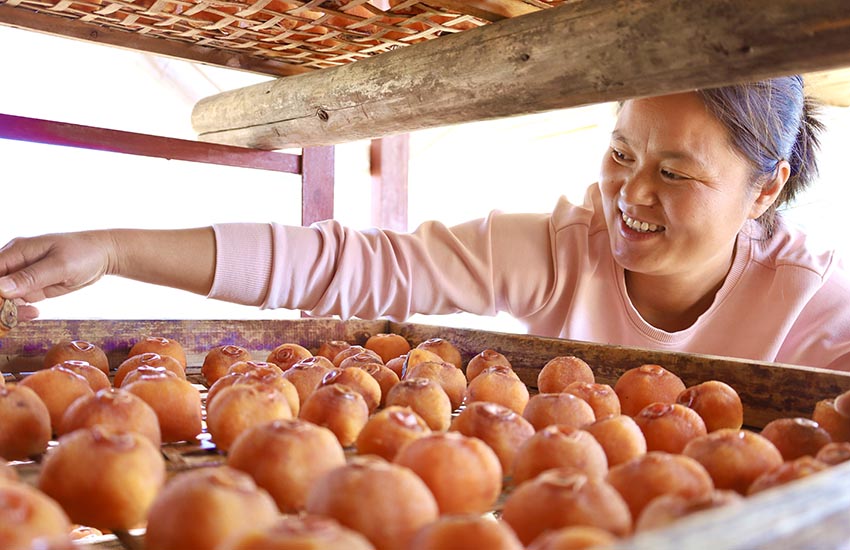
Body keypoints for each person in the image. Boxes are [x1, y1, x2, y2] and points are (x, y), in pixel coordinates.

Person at [2, 75, 849, 371]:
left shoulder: (813, 303)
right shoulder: (567, 250)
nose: (630, 193)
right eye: (622, 152)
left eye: (675, 173)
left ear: (766, 192)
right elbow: (357, 267)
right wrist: (112, 248)